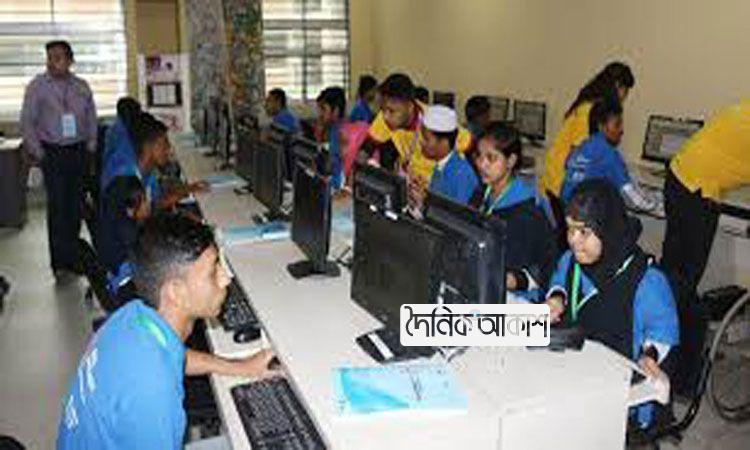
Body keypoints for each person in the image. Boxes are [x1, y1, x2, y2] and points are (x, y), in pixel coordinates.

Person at [57, 214, 280, 449]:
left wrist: (242, 367)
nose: (225, 279)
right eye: (213, 271)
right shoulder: (155, 390)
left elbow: (175, 355)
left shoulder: (133, 315)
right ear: (176, 292)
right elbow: (157, 372)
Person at [544, 179, 678, 430]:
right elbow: (559, 278)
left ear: (608, 229)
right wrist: (557, 297)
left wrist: (650, 357)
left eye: (584, 232)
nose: (573, 241)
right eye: (570, 229)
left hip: (622, 395)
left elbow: (663, 331)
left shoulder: (646, 280)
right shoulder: (571, 260)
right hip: (577, 373)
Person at [662, 99, 750, 396]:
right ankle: (679, 376)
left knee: (673, 279)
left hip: (680, 178)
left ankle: (659, 354)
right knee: (684, 286)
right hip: (696, 191)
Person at [21, 40, 98, 283]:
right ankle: (59, 263)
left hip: (78, 152)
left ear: (70, 60)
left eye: (57, 57)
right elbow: (27, 122)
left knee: (75, 207)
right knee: (57, 209)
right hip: (52, 153)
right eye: (49, 57)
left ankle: (73, 257)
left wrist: (91, 148)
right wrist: (39, 153)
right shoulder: (37, 87)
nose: (52, 62)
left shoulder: (81, 86)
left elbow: (91, 118)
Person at [469, 122, 556, 301]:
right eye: (479, 156)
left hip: (518, 298)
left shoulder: (527, 212)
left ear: (511, 161)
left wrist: (509, 279)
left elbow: (542, 270)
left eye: (491, 158)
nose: (482, 164)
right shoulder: (481, 194)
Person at [540, 62, 635, 201]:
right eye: (625, 91)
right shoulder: (588, 111)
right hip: (561, 183)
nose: (624, 98)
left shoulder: (589, 105)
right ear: (617, 86)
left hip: (557, 179)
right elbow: (576, 154)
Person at [366, 73, 472, 187]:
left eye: (391, 111)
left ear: (410, 107)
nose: (386, 116)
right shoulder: (387, 117)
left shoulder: (434, 122)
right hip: (410, 185)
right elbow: (368, 147)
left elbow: (470, 147)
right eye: (383, 109)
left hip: (436, 188)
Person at [560, 96, 660, 211]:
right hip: (590, 215)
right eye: (617, 125)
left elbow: (569, 167)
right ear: (601, 126)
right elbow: (634, 201)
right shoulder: (609, 155)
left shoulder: (582, 146)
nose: (621, 130)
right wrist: (656, 203)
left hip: (569, 211)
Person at [96, 176, 148, 308]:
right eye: (144, 200)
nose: (147, 204)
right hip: (128, 291)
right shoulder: (128, 234)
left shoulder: (114, 223)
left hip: (116, 281)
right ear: (132, 205)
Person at [415, 105, 478, 207]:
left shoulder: (462, 175)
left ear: (444, 143)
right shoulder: (440, 166)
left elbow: (457, 214)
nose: (421, 142)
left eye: (426, 139)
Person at [316, 86, 347, 189]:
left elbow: (343, 174)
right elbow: (327, 165)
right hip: (331, 184)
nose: (319, 114)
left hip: (338, 188)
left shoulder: (344, 134)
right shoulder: (332, 129)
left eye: (323, 109)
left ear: (336, 111)